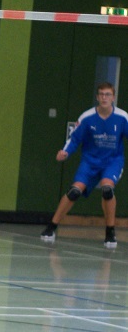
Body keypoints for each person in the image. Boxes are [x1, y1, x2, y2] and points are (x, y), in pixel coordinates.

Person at [41, 82, 128, 249]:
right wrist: (65, 152)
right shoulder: (87, 117)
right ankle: (51, 227)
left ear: (113, 97)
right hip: (90, 161)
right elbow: (74, 139)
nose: (104, 97)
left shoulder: (122, 117)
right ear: (97, 97)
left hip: (112, 161)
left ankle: (110, 231)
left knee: (107, 189)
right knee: (74, 191)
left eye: (108, 94)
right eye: (101, 94)